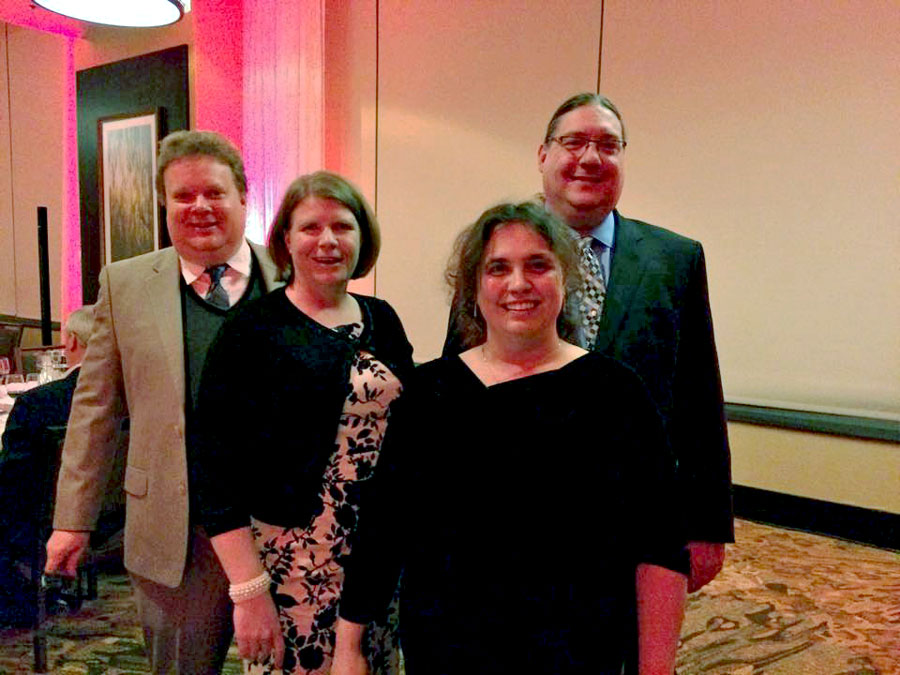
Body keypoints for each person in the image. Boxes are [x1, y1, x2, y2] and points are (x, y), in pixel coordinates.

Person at [333, 202, 687, 675]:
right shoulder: (430, 392)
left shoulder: (616, 393)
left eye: (538, 265)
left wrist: (656, 669)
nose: (518, 284)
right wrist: (348, 647)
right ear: (474, 289)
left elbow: (659, 544)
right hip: (446, 650)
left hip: (577, 650)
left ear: (565, 279)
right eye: (498, 268)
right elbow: (385, 524)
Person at [444, 93, 733, 591]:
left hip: (634, 516)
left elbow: (699, 396)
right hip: (507, 511)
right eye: (573, 142)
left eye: (608, 145)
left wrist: (708, 524)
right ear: (543, 155)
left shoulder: (675, 259)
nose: (590, 158)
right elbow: (457, 383)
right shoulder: (494, 252)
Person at [45, 130, 283, 673]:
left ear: (243, 196)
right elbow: (94, 412)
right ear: (165, 204)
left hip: (281, 526)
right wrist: (73, 520)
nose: (199, 206)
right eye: (183, 195)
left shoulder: (290, 273)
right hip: (176, 534)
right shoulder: (125, 284)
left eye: (214, 192)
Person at [195, 171, 414, 674]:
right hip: (293, 565)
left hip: (379, 559)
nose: (328, 240)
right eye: (311, 227)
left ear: (362, 238)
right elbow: (215, 469)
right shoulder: (251, 329)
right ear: (286, 240)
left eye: (343, 226)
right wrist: (248, 591)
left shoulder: (382, 319)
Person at [0, 306, 98, 625]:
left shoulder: (37, 403)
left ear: (71, 342)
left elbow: (12, 478)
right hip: (110, 516)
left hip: (42, 517)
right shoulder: (130, 395)